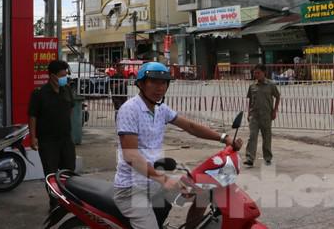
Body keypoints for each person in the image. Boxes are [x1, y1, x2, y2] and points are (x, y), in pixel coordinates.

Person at [114, 62, 242, 229]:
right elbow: (131, 156)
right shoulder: (130, 110)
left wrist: (224, 138)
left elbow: (190, 126)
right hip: (131, 188)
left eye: (163, 83)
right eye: (153, 82)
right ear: (141, 84)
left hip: (153, 181)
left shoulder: (161, 109)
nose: (159, 88)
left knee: (202, 193)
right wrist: (164, 179)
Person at [28, 60, 76, 209]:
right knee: (51, 174)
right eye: (62, 75)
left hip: (65, 139)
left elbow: (71, 108)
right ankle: (54, 203)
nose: (65, 78)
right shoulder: (39, 94)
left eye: (66, 75)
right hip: (48, 141)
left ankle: (68, 202)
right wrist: (33, 137)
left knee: (68, 172)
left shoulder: (67, 90)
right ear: (52, 76)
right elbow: (32, 116)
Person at [244, 64, 280, 167]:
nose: (256, 75)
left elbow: (277, 97)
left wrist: (274, 111)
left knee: (267, 137)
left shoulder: (271, 85)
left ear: (264, 73)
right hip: (254, 116)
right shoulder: (252, 86)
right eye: (255, 73)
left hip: (266, 115)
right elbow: (250, 100)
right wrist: (248, 113)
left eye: (258, 73)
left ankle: (267, 158)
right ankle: (250, 158)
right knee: (252, 137)